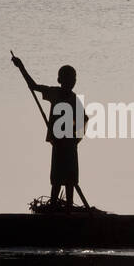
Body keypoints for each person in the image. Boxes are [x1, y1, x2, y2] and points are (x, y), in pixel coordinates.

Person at [11, 56, 85, 208]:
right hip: (61, 144)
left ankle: (67, 209)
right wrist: (21, 67)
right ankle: (55, 208)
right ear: (62, 80)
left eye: (74, 78)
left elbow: (84, 119)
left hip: (67, 145)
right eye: (70, 78)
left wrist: (76, 139)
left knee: (69, 180)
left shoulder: (71, 97)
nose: (73, 81)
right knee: (58, 178)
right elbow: (33, 86)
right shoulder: (56, 93)